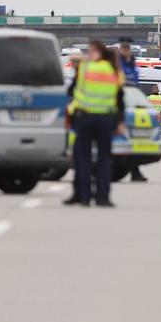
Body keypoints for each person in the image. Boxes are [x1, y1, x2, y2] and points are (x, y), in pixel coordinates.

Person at [65, 41, 123, 207]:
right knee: (104, 159)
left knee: (83, 159)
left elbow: (72, 90)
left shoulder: (85, 68)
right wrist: (119, 121)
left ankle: (84, 197)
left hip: (86, 117)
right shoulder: (113, 70)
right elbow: (119, 97)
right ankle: (103, 197)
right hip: (106, 119)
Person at [116, 38, 148, 182]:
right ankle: (132, 171)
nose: (126, 50)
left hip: (132, 103)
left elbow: (135, 82)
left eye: (128, 47)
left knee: (133, 139)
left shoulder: (132, 62)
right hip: (119, 104)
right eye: (123, 47)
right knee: (123, 139)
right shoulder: (118, 63)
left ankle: (135, 171)